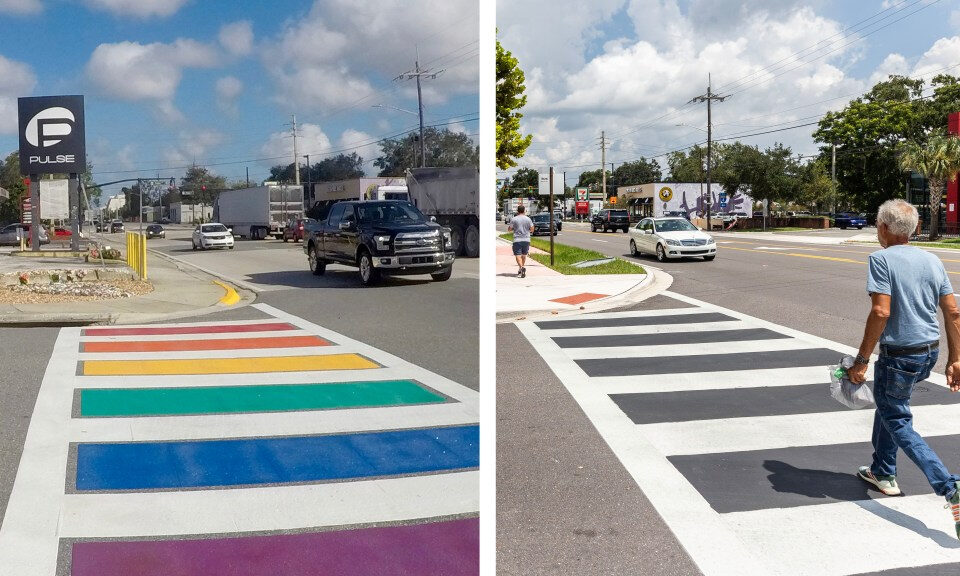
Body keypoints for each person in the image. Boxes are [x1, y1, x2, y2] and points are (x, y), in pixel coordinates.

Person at [847, 199, 960, 538]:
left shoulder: (880, 259)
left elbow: (881, 312)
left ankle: (949, 486)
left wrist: (862, 360)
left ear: (882, 228)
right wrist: (956, 358)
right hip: (929, 353)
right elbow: (952, 312)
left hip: (899, 355)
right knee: (889, 404)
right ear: (916, 229)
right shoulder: (932, 259)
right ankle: (883, 471)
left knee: (896, 417)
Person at [507, 204, 533, 278]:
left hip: (517, 240)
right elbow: (532, 229)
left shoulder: (514, 219)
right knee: (524, 255)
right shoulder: (528, 219)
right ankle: (521, 268)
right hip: (526, 239)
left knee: (518, 255)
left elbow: (509, 229)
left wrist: (514, 228)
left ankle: (521, 268)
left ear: (517, 211)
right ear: (524, 211)